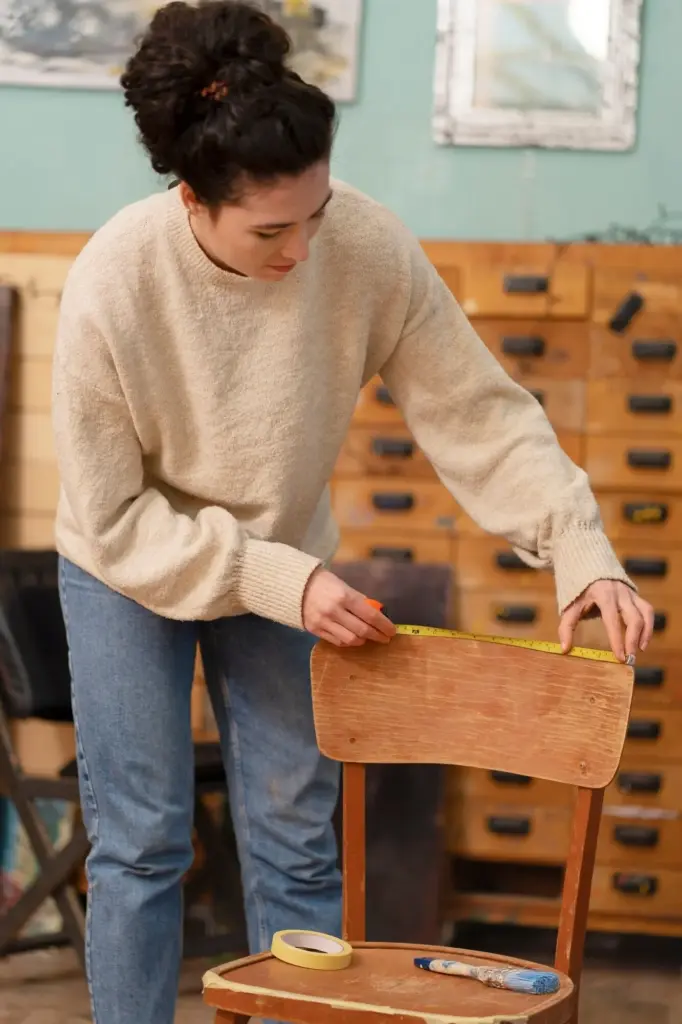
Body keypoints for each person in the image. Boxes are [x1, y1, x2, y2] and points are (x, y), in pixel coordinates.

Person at [52, 1, 653, 1021]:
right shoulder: (115, 278)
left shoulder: (365, 246)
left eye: (317, 213)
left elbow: (478, 410)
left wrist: (578, 546)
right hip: (130, 563)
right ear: (192, 199)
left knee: (295, 836)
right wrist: (283, 580)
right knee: (144, 841)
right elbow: (114, 518)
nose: (302, 248)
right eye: (270, 229)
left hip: (282, 560)